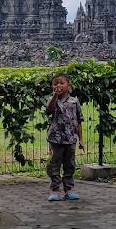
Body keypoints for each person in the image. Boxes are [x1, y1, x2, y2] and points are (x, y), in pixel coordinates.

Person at [46, 73, 84, 201]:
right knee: (54, 164)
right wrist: (55, 96)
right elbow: (49, 110)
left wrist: (81, 140)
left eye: (61, 83)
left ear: (69, 85)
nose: (58, 86)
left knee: (70, 165)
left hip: (71, 138)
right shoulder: (52, 100)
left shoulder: (74, 101)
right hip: (56, 138)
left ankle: (69, 189)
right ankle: (55, 189)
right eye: (55, 83)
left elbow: (79, 121)